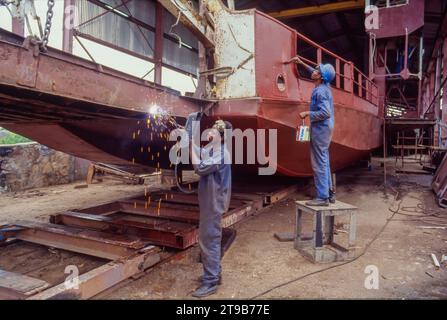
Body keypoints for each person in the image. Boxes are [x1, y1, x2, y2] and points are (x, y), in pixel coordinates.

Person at [189, 119, 232, 298]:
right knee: (209, 238)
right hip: (209, 200)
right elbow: (199, 152)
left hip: (214, 203)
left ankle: (210, 282)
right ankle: (215, 274)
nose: (210, 133)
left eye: (214, 131)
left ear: (221, 137)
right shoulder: (211, 149)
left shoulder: (221, 153)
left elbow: (199, 167)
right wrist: (189, 141)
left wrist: (190, 147)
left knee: (209, 239)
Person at [289, 56, 336, 206]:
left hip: (320, 129)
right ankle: (330, 193)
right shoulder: (324, 86)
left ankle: (322, 198)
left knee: (318, 163)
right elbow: (315, 72)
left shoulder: (320, 92)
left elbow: (325, 112)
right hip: (325, 129)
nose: (314, 70)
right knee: (324, 160)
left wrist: (307, 114)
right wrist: (302, 63)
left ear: (320, 77)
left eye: (317, 70)